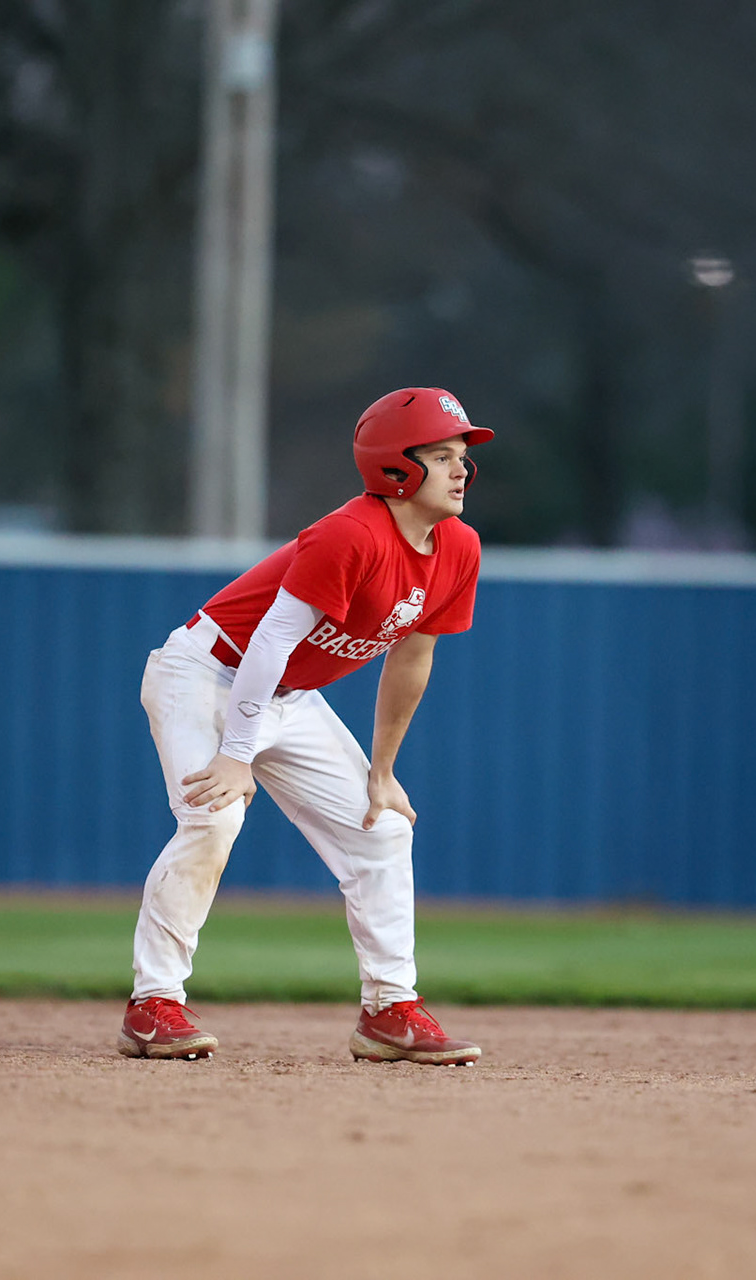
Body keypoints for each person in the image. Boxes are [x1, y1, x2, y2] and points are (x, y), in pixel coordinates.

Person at [119, 388, 492, 1066]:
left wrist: (381, 773)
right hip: (208, 672)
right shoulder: (352, 534)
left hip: (289, 695)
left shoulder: (457, 548)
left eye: (462, 456)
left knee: (381, 828)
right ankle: (154, 1005)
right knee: (215, 816)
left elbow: (413, 656)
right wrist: (237, 753)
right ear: (396, 469)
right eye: (442, 456)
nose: (462, 470)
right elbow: (268, 642)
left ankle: (390, 1011)